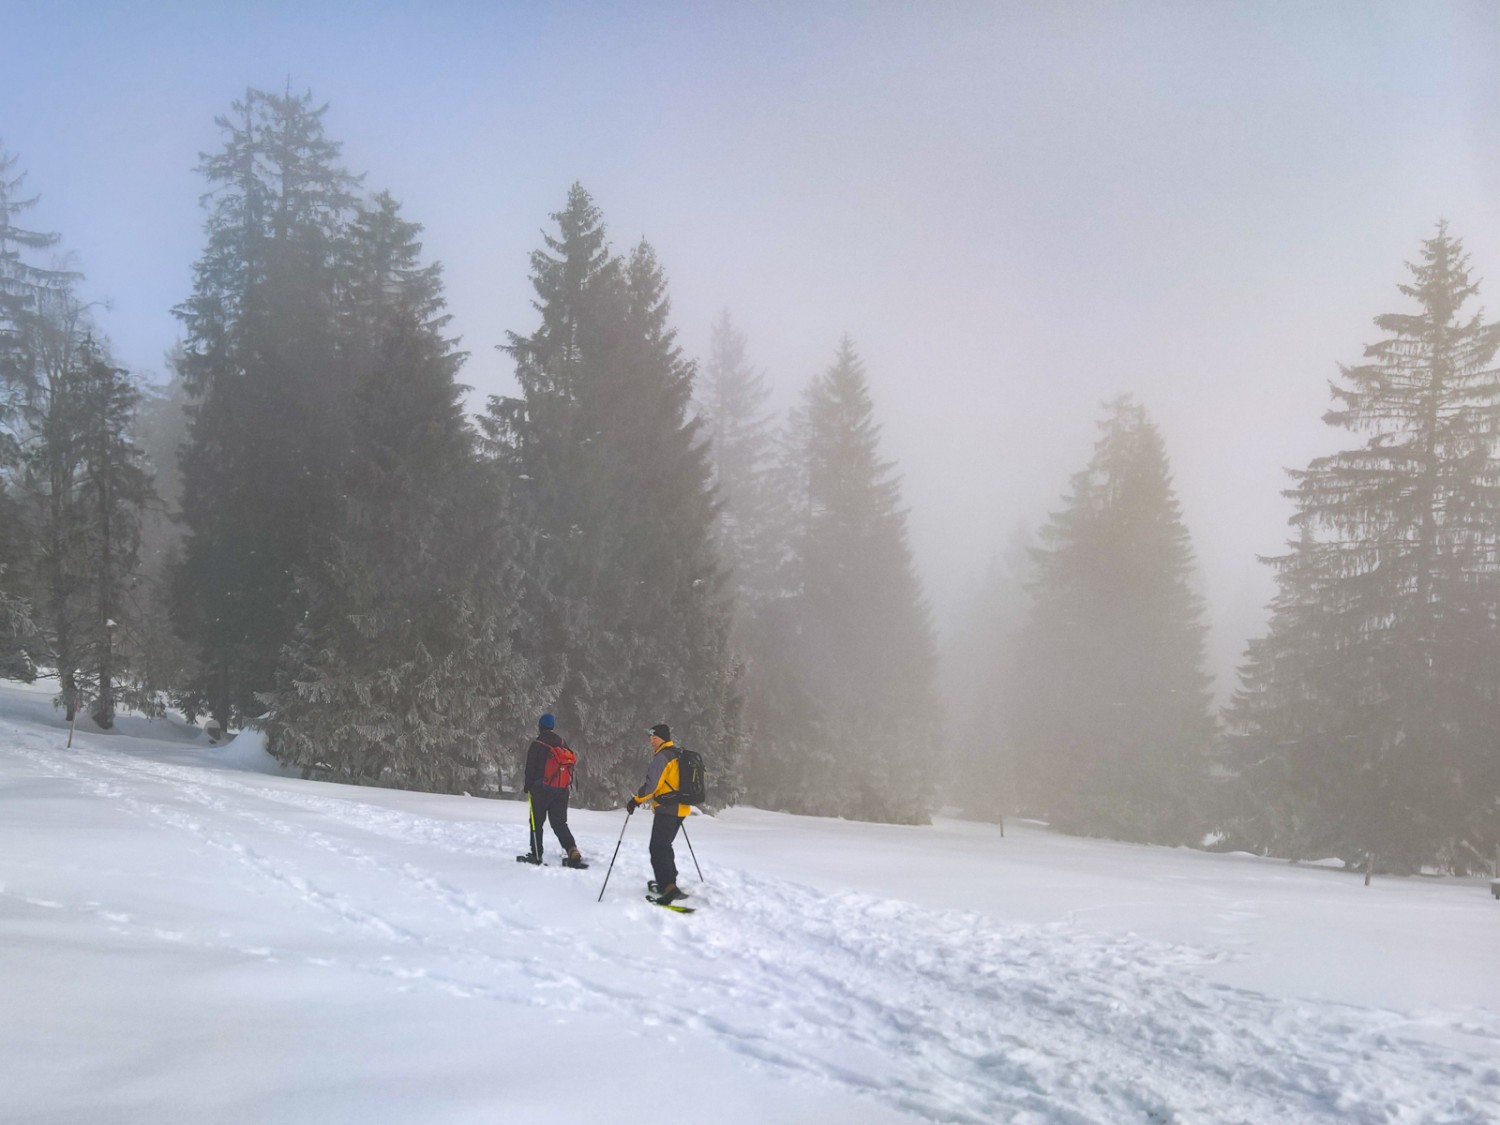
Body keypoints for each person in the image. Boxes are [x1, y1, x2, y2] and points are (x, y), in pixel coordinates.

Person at [625, 722, 690, 904]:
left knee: (657, 847)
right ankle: (668, 882)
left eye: (655, 737)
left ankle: (669, 887)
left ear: (664, 738)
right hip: (681, 808)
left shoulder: (663, 757)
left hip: (668, 809)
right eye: (650, 737)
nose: (651, 740)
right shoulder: (677, 754)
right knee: (664, 845)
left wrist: (635, 800)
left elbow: (651, 786)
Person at [520, 713, 587, 869]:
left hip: (541, 790)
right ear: (552, 727)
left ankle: (536, 854)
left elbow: (530, 768)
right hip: (561, 790)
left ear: (540, 726)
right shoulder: (562, 743)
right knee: (559, 823)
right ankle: (572, 849)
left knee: (536, 822)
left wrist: (527, 786)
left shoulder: (537, 744)